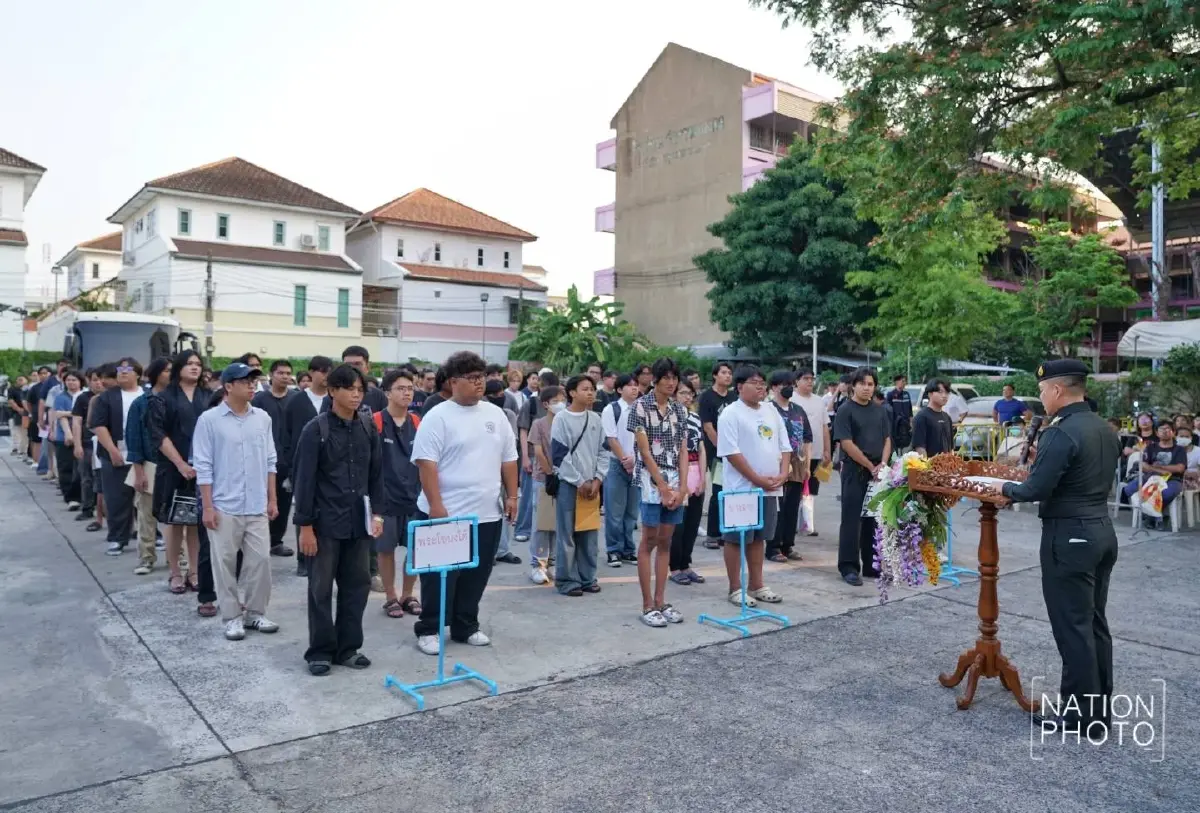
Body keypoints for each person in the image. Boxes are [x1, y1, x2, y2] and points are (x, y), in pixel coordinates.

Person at [985, 360, 1120, 737]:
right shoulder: (1103, 428)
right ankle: (1098, 712)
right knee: (1094, 624)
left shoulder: (1060, 432)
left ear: (1058, 390)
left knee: (1073, 628)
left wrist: (1002, 488)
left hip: (1070, 536)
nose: (1041, 397)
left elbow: (1035, 489)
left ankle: (1078, 717)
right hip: (1101, 531)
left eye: (1043, 390)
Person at [411, 351, 519, 655]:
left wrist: (512, 496)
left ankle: (465, 625)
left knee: (477, 574)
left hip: (486, 512)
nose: (479, 383)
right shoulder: (438, 416)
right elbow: (426, 464)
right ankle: (430, 628)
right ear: (453, 381)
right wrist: (436, 504)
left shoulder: (495, 415)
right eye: (471, 378)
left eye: (481, 377)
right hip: (447, 512)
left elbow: (509, 459)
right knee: (439, 576)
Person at [292, 364, 383, 676]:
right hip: (324, 524)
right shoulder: (315, 430)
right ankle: (320, 651)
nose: (356, 395)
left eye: (360, 389)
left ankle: (348, 648)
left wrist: (377, 514)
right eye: (349, 388)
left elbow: (376, 475)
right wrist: (305, 527)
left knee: (357, 586)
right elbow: (304, 481)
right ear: (332, 391)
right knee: (320, 590)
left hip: (359, 523)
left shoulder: (368, 427)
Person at [194, 363, 281, 641]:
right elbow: (203, 465)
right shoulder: (209, 420)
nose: (251, 386)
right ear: (228, 386)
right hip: (224, 504)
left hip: (256, 503)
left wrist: (272, 498)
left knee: (261, 561)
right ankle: (231, 617)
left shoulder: (262, 418)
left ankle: (256, 612)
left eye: (253, 381)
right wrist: (208, 506)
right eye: (245, 381)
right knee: (224, 564)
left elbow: (270, 461)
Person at [717, 366, 791, 606]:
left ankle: (757, 584)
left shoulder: (771, 410)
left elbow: (785, 446)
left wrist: (783, 473)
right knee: (736, 538)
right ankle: (735, 588)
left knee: (760, 536)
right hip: (741, 488)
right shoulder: (730, 414)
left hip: (769, 487)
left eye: (762, 382)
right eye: (754, 382)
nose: (761, 387)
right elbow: (731, 453)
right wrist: (758, 479)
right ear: (739, 386)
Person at [627, 357, 689, 627]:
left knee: (666, 541)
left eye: (674, 378)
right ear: (655, 379)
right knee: (649, 540)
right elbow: (644, 450)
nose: (671, 382)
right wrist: (662, 486)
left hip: (675, 479)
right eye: (666, 378)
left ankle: (661, 600)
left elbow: (684, 450)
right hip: (650, 480)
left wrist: (683, 486)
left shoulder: (680, 410)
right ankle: (647, 604)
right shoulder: (640, 406)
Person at [148, 350, 211, 600]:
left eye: (198, 364)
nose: (194, 368)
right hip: (173, 468)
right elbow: (158, 434)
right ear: (178, 368)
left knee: (196, 523)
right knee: (175, 523)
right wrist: (181, 464)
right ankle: (175, 572)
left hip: (203, 468)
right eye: (189, 364)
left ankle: (195, 572)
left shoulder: (209, 397)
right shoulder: (162, 398)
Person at [832, 367, 892, 586]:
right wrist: (869, 465)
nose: (867, 388)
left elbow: (887, 439)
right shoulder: (845, 410)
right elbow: (846, 443)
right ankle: (848, 566)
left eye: (871, 384)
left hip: (877, 472)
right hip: (854, 470)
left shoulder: (880, 411)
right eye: (862, 384)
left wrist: (882, 464)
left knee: (873, 519)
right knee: (852, 519)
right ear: (854, 386)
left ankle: (871, 564)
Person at [550, 375, 607, 597]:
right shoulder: (561, 419)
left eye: (592, 389)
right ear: (572, 393)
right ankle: (566, 580)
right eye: (585, 389)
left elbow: (604, 451)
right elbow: (559, 455)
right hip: (569, 485)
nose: (590, 392)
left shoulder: (596, 419)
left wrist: (598, 479)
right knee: (567, 534)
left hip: (592, 485)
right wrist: (579, 480)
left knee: (589, 533)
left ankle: (587, 577)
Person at [373, 368, 423, 619]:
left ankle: (408, 595)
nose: (406, 393)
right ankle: (391, 596)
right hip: (385, 499)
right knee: (385, 550)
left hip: (414, 496)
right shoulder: (375, 422)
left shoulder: (418, 422)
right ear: (387, 393)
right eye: (400, 388)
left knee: (416, 550)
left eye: (410, 388)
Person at [283, 355, 333, 577]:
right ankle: (303, 559)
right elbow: (286, 434)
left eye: (329, 372)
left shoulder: (333, 400)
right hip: (301, 465)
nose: (326, 376)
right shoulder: (296, 401)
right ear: (311, 372)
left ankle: (324, 556)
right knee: (303, 510)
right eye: (322, 371)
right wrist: (289, 465)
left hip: (329, 466)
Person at [89, 357, 144, 557]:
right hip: (116, 454)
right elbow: (99, 425)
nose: (123, 371)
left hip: (145, 456)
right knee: (116, 499)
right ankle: (117, 538)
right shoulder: (107, 397)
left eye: (128, 369)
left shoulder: (147, 395)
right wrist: (112, 450)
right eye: (120, 369)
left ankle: (152, 535)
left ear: (138, 374)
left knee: (147, 499)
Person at [126, 357, 171, 575]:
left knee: (177, 516)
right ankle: (146, 557)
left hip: (174, 465)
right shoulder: (140, 403)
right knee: (146, 515)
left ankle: (178, 557)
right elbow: (133, 438)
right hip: (149, 463)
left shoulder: (177, 400)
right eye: (167, 370)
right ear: (155, 374)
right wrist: (138, 470)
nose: (171, 374)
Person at [251, 359, 296, 558]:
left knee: (284, 503)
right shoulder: (259, 399)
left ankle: (276, 541)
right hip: (263, 460)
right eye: (280, 373)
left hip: (287, 460)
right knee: (262, 501)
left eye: (288, 373)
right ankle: (259, 540)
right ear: (271, 375)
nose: (285, 377)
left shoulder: (296, 398)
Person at [764, 371, 811, 563]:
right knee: (777, 508)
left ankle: (787, 545)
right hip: (776, 464)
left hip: (798, 464)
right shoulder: (768, 410)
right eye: (784, 384)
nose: (789, 388)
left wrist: (807, 465)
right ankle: (773, 547)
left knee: (792, 507)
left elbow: (807, 439)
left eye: (791, 384)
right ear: (774, 387)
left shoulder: (798, 410)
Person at [668, 379, 707, 585]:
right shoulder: (668, 418)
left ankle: (686, 564)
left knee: (693, 523)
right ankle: (674, 567)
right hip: (676, 472)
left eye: (690, 393)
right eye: (683, 393)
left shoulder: (694, 417)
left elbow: (701, 448)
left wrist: (703, 477)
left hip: (695, 470)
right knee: (678, 525)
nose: (687, 397)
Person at [514, 370, 559, 546]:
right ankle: (522, 529)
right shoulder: (531, 404)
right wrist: (525, 457)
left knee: (546, 498)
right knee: (528, 496)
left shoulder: (560, 408)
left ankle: (546, 532)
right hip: (533, 455)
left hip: (552, 458)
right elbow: (523, 430)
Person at [601, 374, 641, 566]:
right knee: (615, 511)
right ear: (619, 389)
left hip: (638, 463)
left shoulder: (642, 409)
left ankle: (628, 549)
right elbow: (611, 438)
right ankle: (613, 550)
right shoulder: (612, 409)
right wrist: (625, 460)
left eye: (636, 385)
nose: (634, 389)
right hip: (617, 464)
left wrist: (635, 459)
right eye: (629, 385)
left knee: (631, 512)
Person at [528, 386, 564, 584]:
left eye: (562, 400)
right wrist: (550, 473)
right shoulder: (539, 424)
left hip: (564, 478)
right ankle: (537, 564)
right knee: (542, 523)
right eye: (556, 401)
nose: (560, 404)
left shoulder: (565, 422)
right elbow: (538, 452)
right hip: (544, 479)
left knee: (558, 523)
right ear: (546, 404)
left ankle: (553, 563)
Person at [698, 362, 737, 547]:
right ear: (715, 375)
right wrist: (722, 449)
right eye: (723, 372)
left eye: (729, 373)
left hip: (734, 452)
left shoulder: (734, 397)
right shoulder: (707, 397)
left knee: (732, 491)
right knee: (718, 491)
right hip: (716, 453)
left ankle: (727, 531)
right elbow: (708, 427)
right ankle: (713, 534)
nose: (727, 376)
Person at [1122, 420, 1186, 527]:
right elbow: (1144, 466)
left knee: (1165, 494)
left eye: (1167, 429)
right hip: (1151, 477)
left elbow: (1179, 468)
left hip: (1173, 479)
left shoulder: (1179, 449)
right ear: (1156, 433)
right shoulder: (1151, 448)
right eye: (1161, 429)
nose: (1164, 431)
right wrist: (1162, 471)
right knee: (1129, 489)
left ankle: (1151, 516)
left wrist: (1158, 467)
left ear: (1173, 432)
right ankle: (1154, 515)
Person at [790, 369, 830, 537]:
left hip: (817, 452)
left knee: (812, 488)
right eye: (805, 379)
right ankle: (792, 523)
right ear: (796, 381)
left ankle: (807, 523)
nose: (809, 382)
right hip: (796, 454)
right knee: (795, 488)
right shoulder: (791, 399)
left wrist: (827, 449)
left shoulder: (819, 401)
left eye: (812, 379)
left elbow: (824, 426)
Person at [911, 378, 955, 457]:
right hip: (930, 464)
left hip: (946, 463)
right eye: (940, 392)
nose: (944, 395)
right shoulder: (922, 417)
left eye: (947, 392)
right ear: (930, 394)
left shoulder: (947, 417)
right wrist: (926, 464)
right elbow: (920, 447)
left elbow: (951, 447)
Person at [338, 345, 388, 413]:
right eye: (348, 365)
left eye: (357, 364)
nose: (353, 368)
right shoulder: (335, 394)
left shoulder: (378, 396)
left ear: (367, 367)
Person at [884, 374, 913, 450]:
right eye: (902, 381)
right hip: (895, 425)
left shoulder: (906, 394)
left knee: (905, 444)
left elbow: (910, 409)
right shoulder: (890, 395)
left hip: (905, 425)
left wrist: (911, 422)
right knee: (895, 445)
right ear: (897, 382)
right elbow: (887, 410)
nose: (904, 383)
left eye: (905, 381)